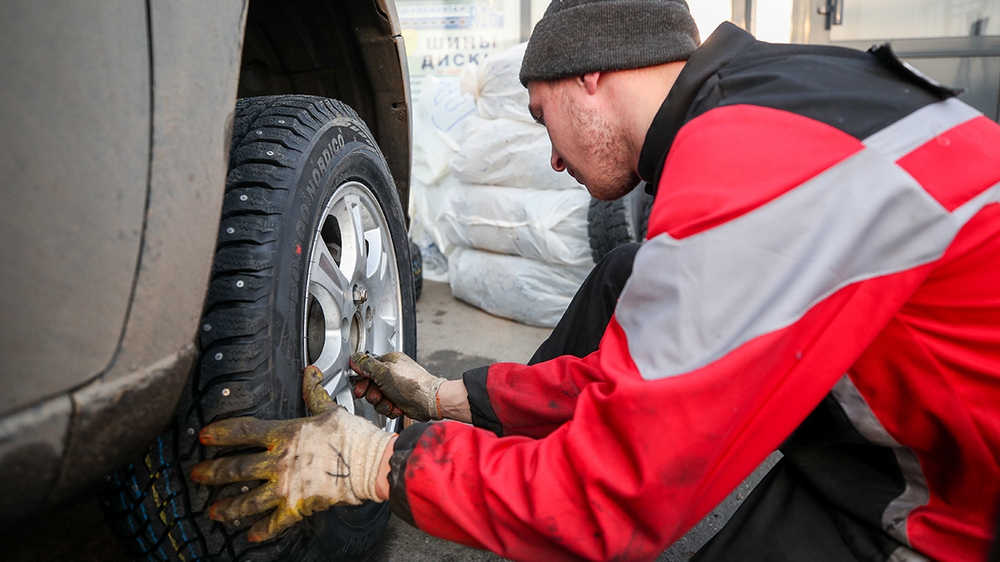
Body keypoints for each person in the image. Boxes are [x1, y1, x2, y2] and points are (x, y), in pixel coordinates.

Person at [190, 0, 1000, 560]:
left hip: (964, 495)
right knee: (627, 272)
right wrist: (448, 399)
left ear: (588, 76)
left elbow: (617, 497)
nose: (548, 155)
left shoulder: (744, 174)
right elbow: (643, 381)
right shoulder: (770, 100)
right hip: (914, 431)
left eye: (540, 118)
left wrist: (374, 466)